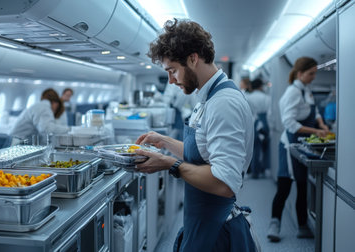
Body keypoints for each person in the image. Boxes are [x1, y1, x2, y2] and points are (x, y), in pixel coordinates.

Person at [135, 19, 257, 252]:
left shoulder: (224, 103)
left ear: (193, 58)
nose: (170, 80)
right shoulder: (210, 97)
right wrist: (165, 142)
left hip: (215, 229)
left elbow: (224, 183)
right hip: (201, 221)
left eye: (172, 70)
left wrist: (170, 164)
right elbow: (204, 151)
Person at [267, 57, 329, 242]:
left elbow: (314, 111)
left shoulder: (305, 90)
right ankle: (274, 224)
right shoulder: (293, 92)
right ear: (300, 73)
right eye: (311, 73)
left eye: (315, 73)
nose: (313, 77)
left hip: (302, 145)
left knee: (302, 187)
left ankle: (302, 226)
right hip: (290, 146)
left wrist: (321, 123)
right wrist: (317, 131)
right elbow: (289, 123)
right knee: (284, 186)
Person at [246, 78, 271, 178]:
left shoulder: (248, 97)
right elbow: (270, 113)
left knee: (253, 147)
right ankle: (264, 169)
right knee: (265, 147)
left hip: (253, 122)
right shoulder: (266, 97)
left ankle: (254, 171)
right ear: (260, 86)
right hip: (265, 122)